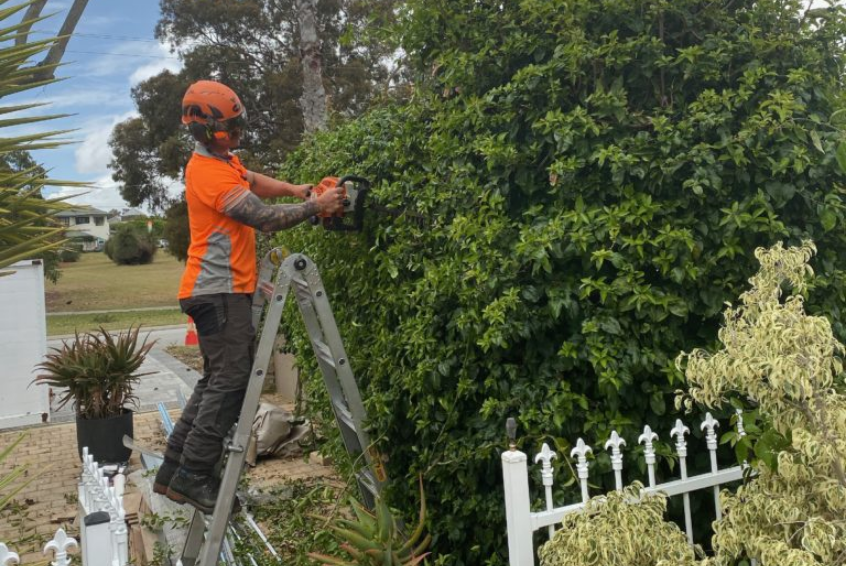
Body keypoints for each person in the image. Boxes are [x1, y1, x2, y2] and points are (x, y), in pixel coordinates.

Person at [152, 80, 344, 514]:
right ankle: (195, 474)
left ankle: (174, 471)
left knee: (214, 380)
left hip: (222, 289)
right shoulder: (207, 171)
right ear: (206, 130)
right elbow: (263, 219)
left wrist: (299, 190)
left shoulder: (226, 163)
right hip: (217, 292)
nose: (238, 137)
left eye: (239, 128)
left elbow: (255, 181)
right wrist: (318, 206)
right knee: (232, 380)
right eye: (230, 130)